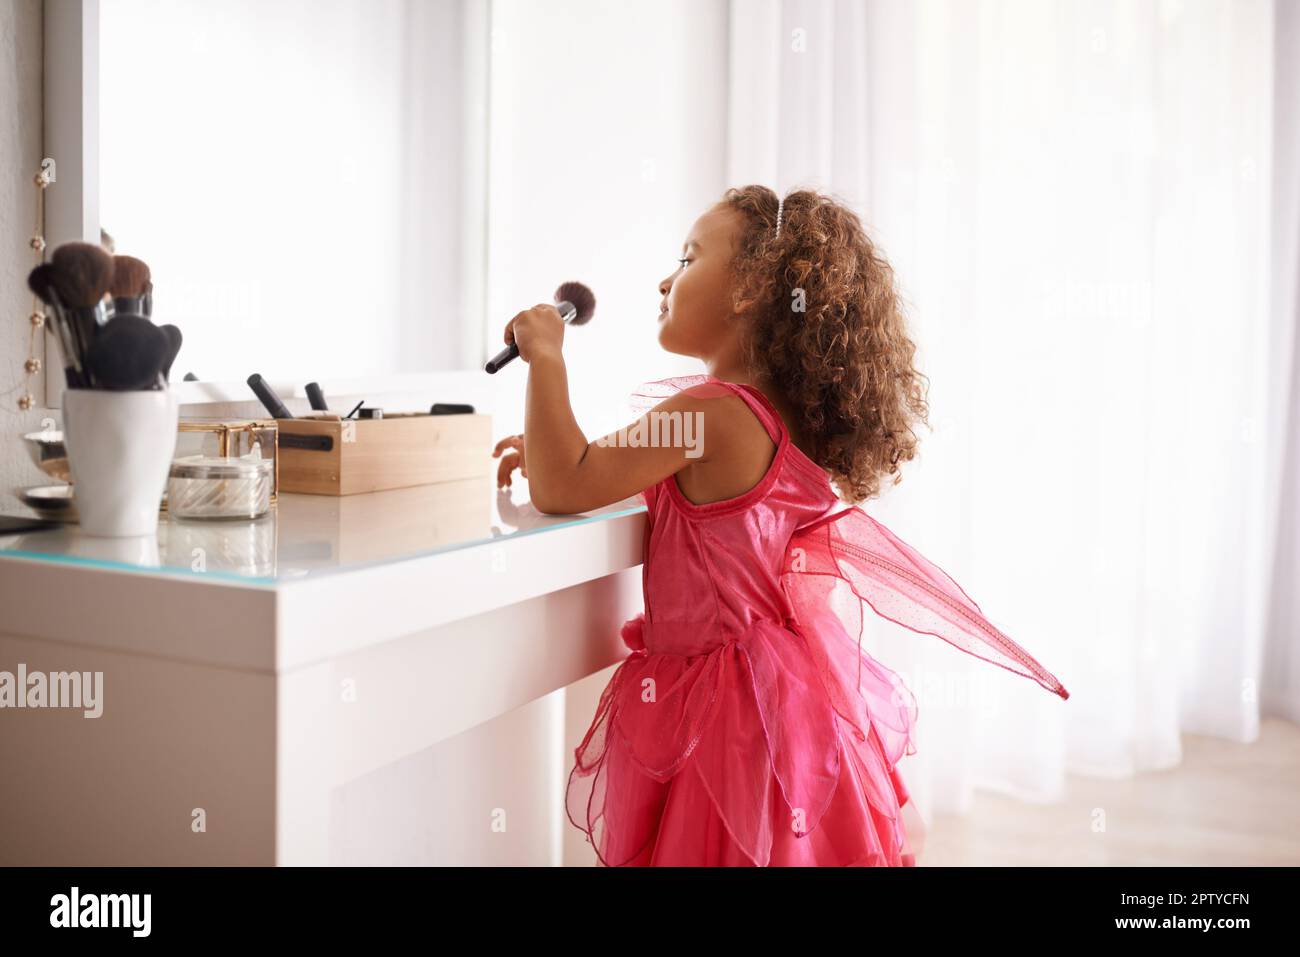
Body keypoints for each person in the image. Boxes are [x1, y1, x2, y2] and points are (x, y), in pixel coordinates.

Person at [492, 185, 1069, 866]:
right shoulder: (760, 419)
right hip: (774, 701)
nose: (664, 278)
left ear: (746, 292)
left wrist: (548, 358)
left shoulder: (709, 412)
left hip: (724, 714)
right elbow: (607, 471)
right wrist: (555, 443)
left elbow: (568, 484)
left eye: (687, 257)